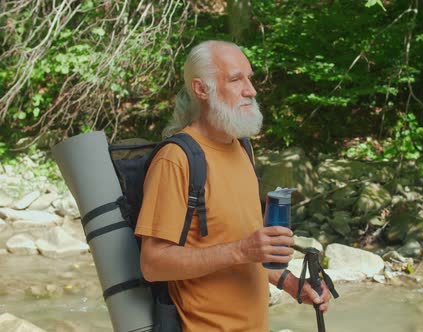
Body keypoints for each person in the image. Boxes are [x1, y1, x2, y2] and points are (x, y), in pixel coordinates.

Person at [135, 40, 332, 331]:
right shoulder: (176, 159)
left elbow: (245, 249)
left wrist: (290, 282)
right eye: (236, 79)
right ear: (201, 89)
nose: (251, 90)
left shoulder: (242, 148)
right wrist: (241, 250)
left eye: (249, 78)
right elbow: (153, 265)